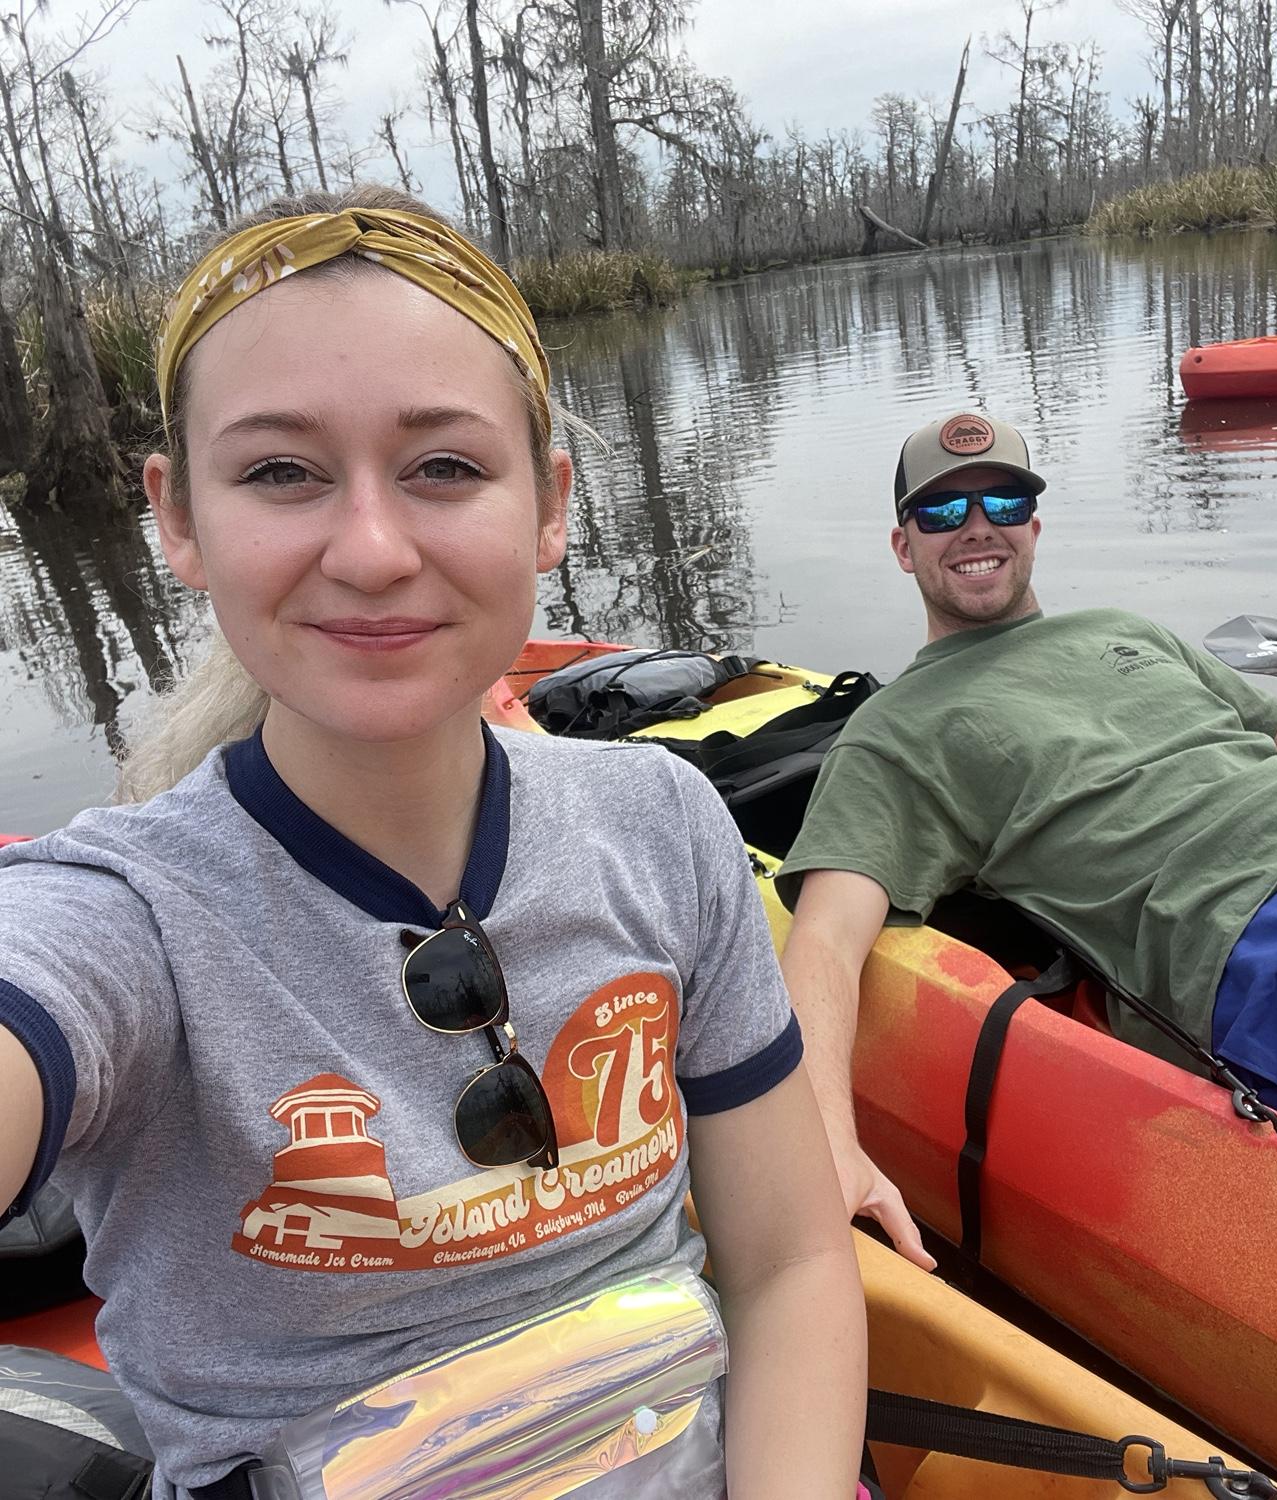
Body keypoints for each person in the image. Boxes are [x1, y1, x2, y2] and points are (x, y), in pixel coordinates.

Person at [0, 187, 865, 1498]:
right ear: (178, 519)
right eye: (281, 470)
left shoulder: (663, 824)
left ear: (550, 503)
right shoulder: (124, 919)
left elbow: (792, 1260)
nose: (372, 548)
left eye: (444, 466)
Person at [777, 407, 1277, 1270]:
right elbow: (823, 940)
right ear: (904, 546)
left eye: (1002, 504)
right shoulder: (894, 733)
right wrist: (823, 1141)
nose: (977, 528)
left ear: (1033, 528)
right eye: (941, 512)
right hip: (1268, 937)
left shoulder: (1125, 629)